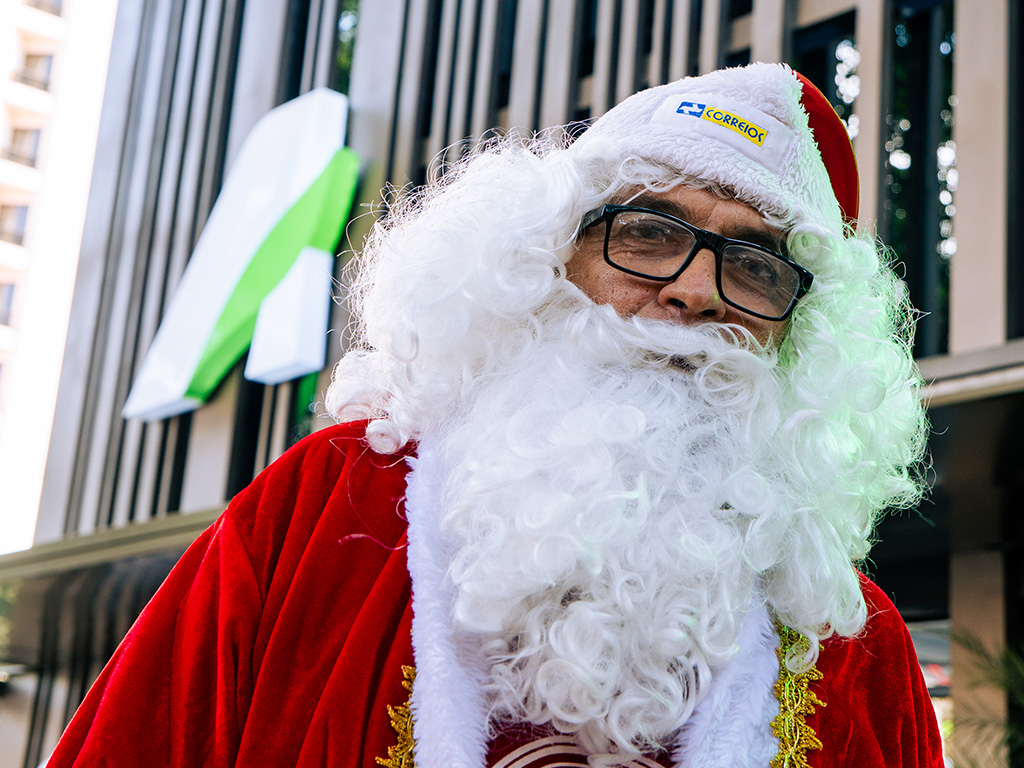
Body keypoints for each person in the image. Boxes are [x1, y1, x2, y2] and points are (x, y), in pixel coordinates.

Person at [47, 63, 941, 768]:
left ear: (797, 336)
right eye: (648, 233)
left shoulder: (853, 644)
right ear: (546, 258)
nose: (696, 289)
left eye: (755, 266)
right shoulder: (325, 507)